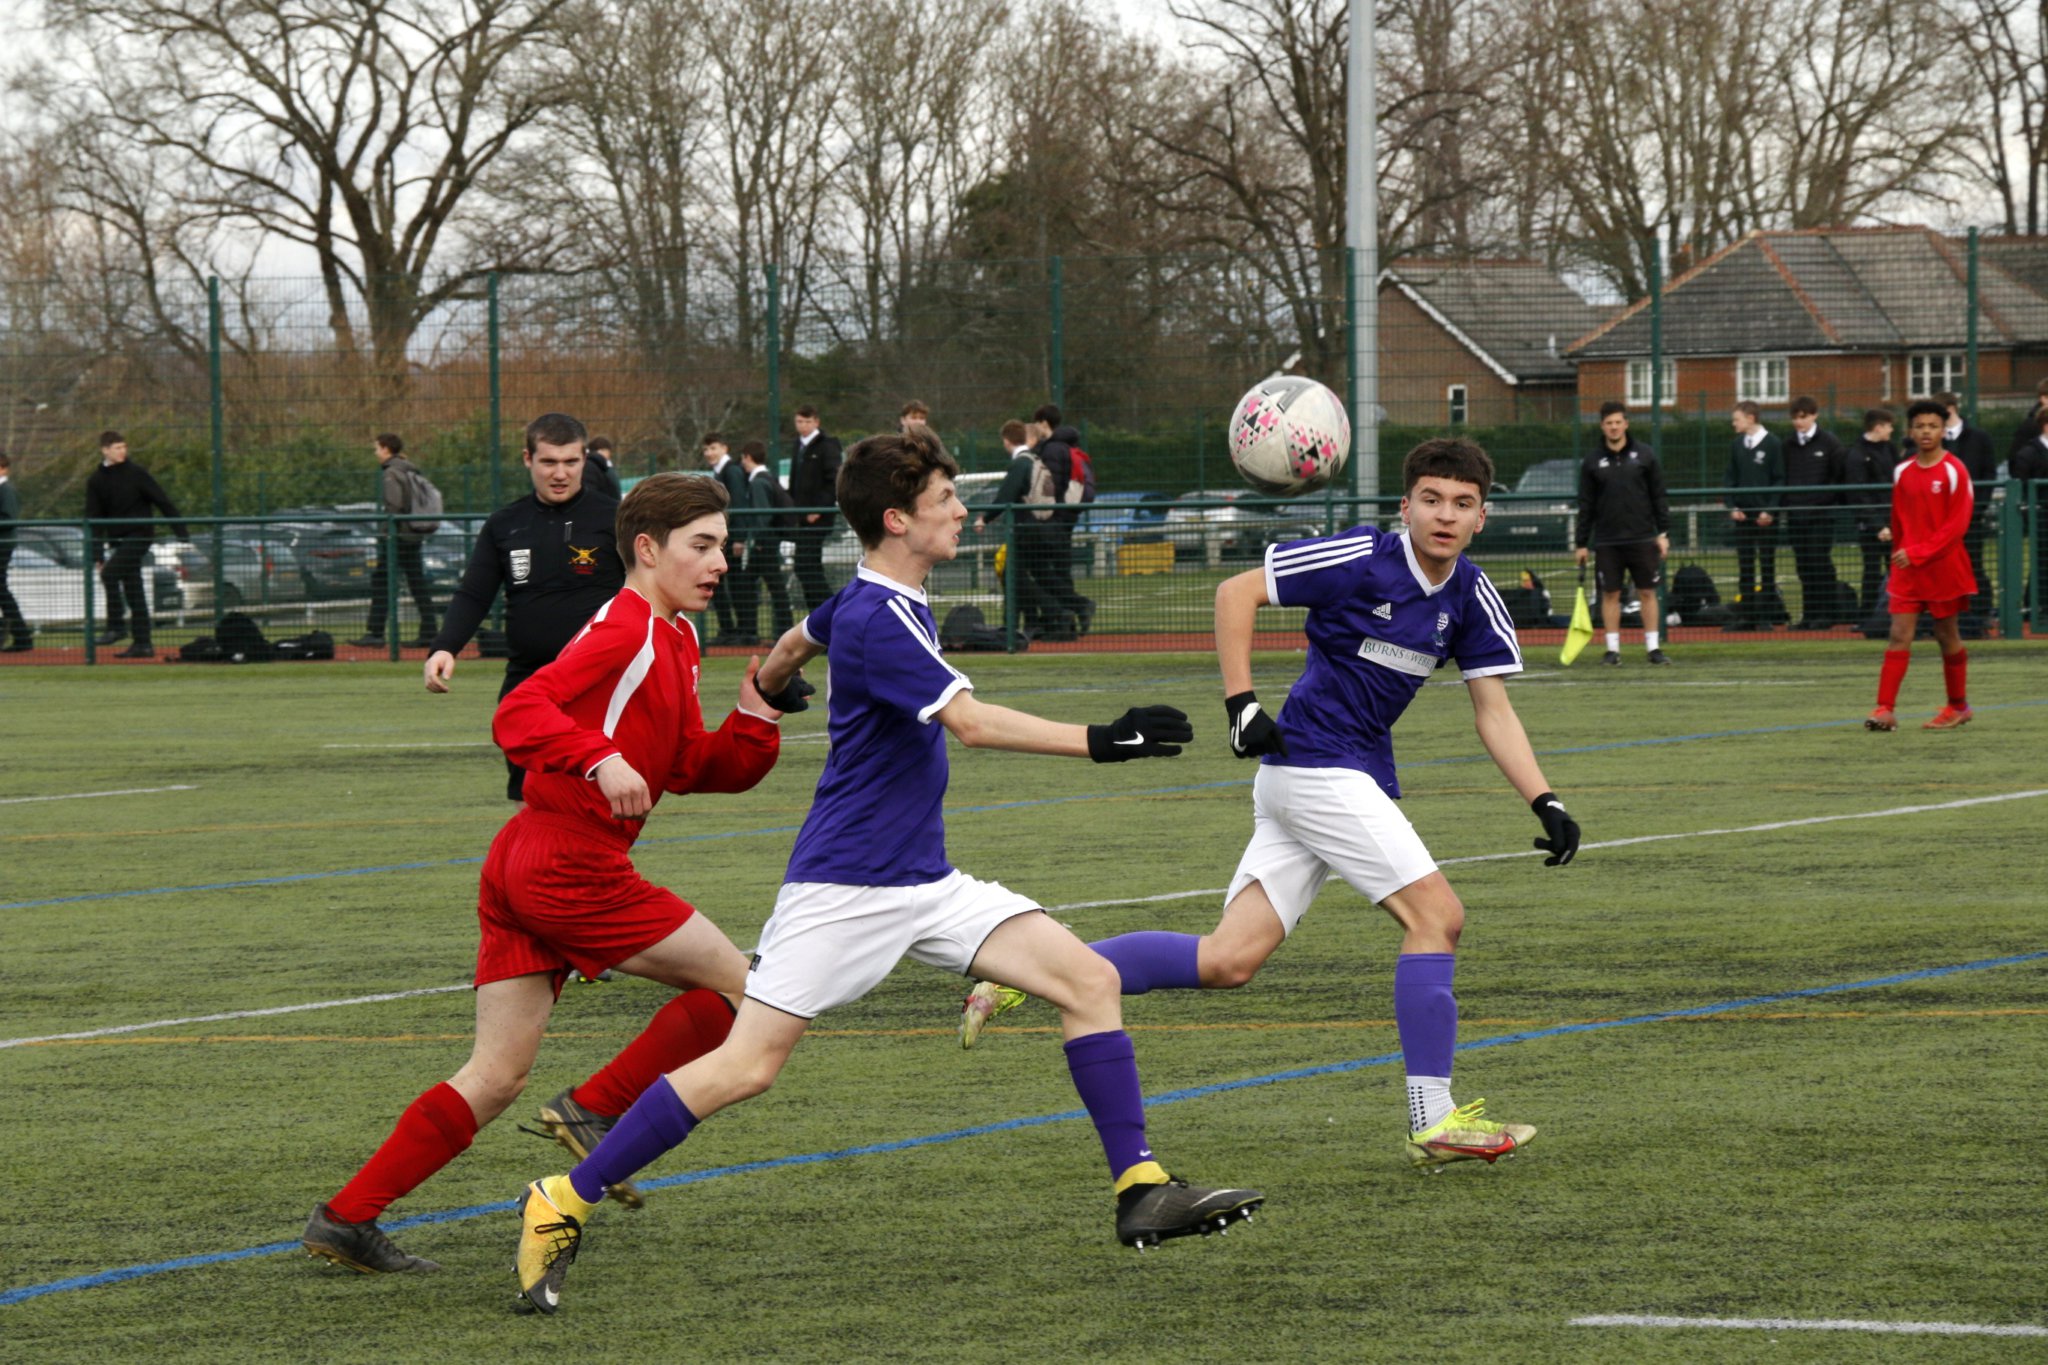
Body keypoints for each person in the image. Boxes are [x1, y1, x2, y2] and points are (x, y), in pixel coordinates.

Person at [512, 431, 1259, 1314]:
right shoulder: (883, 617)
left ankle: (1141, 1189)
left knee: (1087, 979)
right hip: (846, 890)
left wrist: (773, 676)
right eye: (946, 499)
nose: (962, 511)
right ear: (899, 519)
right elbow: (972, 724)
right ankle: (562, 1198)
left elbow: (801, 635)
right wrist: (1102, 737)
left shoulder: (867, 600)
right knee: (745, 1066)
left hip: (924, 881)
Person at [960, 438, 1579, 1175]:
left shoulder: (1472, 595)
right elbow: (1235, 593)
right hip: (1316, 766)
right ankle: (1433, 1116)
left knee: (1228, 960)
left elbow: (1493, 709)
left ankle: (1030, 971)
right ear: (1405, 505)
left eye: (1463, 503)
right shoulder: (1360, 557)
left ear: (1482, 517)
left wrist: (1545, 798)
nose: (1445, 515)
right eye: (1432, 499)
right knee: (1437, 916)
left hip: (1325, 777)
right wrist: (1242, 704)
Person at [303, 473, 785, 1276]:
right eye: (701, 546)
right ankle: (595, 1109)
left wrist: (758, 715)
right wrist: (596, 759)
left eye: (723, 547)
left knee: (494, 1075)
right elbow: (520, 711)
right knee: (750, 994)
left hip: (526, 857)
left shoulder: (675, 636)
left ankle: (346, 1217)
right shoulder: (626, 628)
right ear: (646, 549)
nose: (720, 563)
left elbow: (690, 764)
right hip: (570, 864)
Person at [424, 412, 624, 802]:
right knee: (531, 797)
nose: (560, 473)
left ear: (585, 459)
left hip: (599, 682)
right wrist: (445, 646)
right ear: (528, 459)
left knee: (601, 802)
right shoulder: (505, 524)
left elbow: (651, 590)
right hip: (529, 682)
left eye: (570, 462)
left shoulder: (616, 518)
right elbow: (473, 594)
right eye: (549, 461)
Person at [1865, 400, 1976, 732]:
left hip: (1944, 567)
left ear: (1943, 430)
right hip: (1908, 569)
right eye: (1920, 426)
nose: (1926, 431)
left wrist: (1920, 552)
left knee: (1946, 635)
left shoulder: (1955, 470)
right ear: (1910, 431)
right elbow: (1899, 520)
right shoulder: (1902, 471)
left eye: (1932, 426)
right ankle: (1884, 709)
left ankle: (1958, 707)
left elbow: (1956, 526)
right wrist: (1901, 554)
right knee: (1899, 634)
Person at [1573, 401, 1671, 665]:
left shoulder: (1646, 455)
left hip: (1642, 538)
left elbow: (1658, 497)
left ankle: (1653, 648)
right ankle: (1613, 650)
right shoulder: (1592, 461)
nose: (1614, 427)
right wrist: (1581, 543)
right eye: (1609, 423)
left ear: (1626, 423)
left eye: (1618, 422)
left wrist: (1662, 533)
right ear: (1602, 426)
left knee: (1648, 592)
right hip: (1607, 541)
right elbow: (1586, 504)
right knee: (1610, 594)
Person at [84, 429, 186, 658]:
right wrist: (97, 553)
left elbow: (162, 500)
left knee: (109, 575)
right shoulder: (96, 480)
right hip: (118, 540)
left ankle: (116, 627)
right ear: (105, 450)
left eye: (124, 447)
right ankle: (143, 643)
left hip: (139, 536)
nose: (122, 452)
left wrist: (181, 530)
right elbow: (94, 518)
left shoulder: (137, 474)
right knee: (133, 589)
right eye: (117, 448)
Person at [351, 433, 439, 649]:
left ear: (385, 449)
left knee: (382, 582)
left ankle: (375, 632)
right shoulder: (409, 469)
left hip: (397, 538)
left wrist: (386, 531)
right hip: (412, 536)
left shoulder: (391, 473)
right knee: (417, 583)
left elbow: (394, 505)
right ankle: (430, 630)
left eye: (377, 448)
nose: (375, 453)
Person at [974, 418, 1053, 635]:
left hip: (1025, 529)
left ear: (1007, 441)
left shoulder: (1020, 463)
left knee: (1014, 576)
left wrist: (985, 518)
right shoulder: (1034, 460)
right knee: (1018, 575)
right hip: (1039, 526)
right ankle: (1027, 622)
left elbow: (1005, 496)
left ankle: (1048, 613)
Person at [1026, 404, 1096, 639]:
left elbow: (1049, 487)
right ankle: (1066, 626)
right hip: (1066, 520)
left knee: (1044, 570)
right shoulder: (1068, 446)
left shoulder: (1053, 449)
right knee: (1059, 572)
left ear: (1043, 422)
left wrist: (1047, 515)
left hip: (1054, 521)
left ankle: (1076, 608)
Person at [1782, 396, 1847, 629]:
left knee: (1820, 563)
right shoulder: (1788, 444)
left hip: (1821, 517)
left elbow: (1838, 477)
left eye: (1804, 417)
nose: (1799, 422)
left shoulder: (1830, 443)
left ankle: (1826, 615)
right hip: (1796, 517)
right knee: (1803, 566)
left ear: (1814, 415)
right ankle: (1809, 616)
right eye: (1795, 418)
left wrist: (1821, 502)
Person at [1935, 392, 1997, 619]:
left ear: (1951, 409)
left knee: (1974, 564)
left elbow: (1988, 474)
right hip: (1940, 520)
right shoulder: (1935, 440)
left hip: (1971, 517)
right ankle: (1945, 613)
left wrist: (1977, 508)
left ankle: (1979, 613)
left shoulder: (1979, 438)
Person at [1724, 402, 1783, 628]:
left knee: (1767, 565)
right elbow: (1730, 479)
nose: (1733, 423)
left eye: (1737, 418)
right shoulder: (1736, 445)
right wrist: (1733, 507)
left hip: (1766, 518)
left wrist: (1770, 509)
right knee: (1745, 565)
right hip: (1743, 517)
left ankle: (1765, 616)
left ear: (1750, 418)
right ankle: (1746, 616)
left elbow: (1779, 478)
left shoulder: (1773, 443)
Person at [732, 439, 794, 644]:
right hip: (768, 541)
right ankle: (757, 631)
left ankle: (759, 632)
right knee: (758, 583)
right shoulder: (769, 478)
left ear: (748, 457)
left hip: (764, 543)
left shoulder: (758, 482)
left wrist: (757, 540)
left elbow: (762, 515)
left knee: (766, 586)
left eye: (743, 458)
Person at [1841, 409, 1900, 616]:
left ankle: (1898, 611)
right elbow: (1859, 494)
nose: (1891, 430)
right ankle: (1868, 615)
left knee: (1898, 569)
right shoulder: (1856, 454)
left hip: (1893, 521)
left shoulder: (1890, 449)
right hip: (1872, 525)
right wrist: (1878, 525)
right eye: (1888, 425)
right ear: (1878, 427)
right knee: (1872, 570)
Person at [787, 405, 843, 612]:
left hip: (817, 520)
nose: (803, 426)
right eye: (799, 421)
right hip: (800, 518)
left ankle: (832, 611)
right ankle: (819, 617)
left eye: (807, 421)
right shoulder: (798, 446)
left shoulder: (827, 446)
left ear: (816, 422)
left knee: (805, 567)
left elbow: (834, 481)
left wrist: (818, 509)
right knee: (808, 567)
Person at [702, 433, 749, 644]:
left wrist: (739, 538)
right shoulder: (719, 472)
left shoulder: (732, 471)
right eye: (706, 450)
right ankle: (728, 629)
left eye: (713, 448)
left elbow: (737, 503)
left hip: (730, 538)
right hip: (722, 538)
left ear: (724, 448)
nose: (709, 453)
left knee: (736, 586)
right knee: (719, 586)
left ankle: (741, 631)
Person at [0, 452, 30, 652]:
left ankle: (22, 636)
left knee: (2, 591)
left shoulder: (5, 490)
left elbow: (8, 518)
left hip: (2, 545)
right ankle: (21, 635)